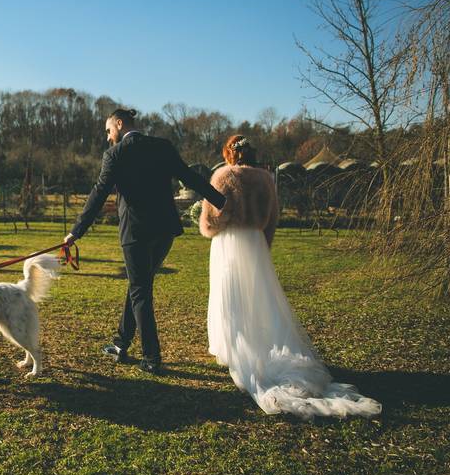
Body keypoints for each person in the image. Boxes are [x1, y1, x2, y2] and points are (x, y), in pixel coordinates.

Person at [199, 135, 381, 419]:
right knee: (258, 294)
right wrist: (263, 244)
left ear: (229, 154)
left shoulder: (223, 175)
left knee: (228, 292)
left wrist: (208, 227)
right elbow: (273, 216)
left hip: (229, 242)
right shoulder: (264, 179)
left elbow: (213, 215)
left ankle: (230, 346)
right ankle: (256, 340)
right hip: (256, 241)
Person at [63, 108, 226, 374]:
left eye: (108, 131)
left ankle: (152, 356)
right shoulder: (162, 146)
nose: (107, 137)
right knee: (139, 284)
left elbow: (98, 193)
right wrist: (222, 201)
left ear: (119, 124)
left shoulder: (115, 155)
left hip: (136, 233)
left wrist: (76, 231)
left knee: (140, 290)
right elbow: (190, 177)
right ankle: (121, 342)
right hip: (164, 231)